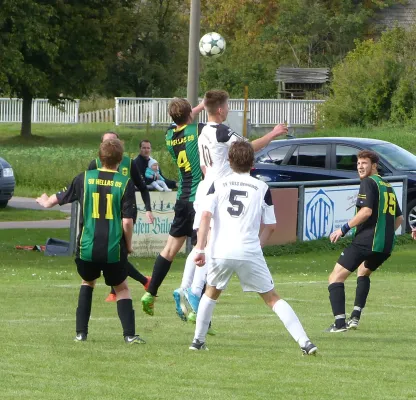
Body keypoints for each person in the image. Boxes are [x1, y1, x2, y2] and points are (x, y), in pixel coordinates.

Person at [188, 141, 317, 355]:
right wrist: (257, 247)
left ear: (229, 161)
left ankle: (197, 341)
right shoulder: (262, 187)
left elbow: (205, 215)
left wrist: (200, 248)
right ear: (253, 162)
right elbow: (271, 226)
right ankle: (305, 342)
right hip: (248, 250)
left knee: (210, 292)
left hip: (221, 250)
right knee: (272, 298)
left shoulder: (218, 184)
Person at [173, 89, 288, 322]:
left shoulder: (202, 129)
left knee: (200, 241)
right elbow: (248, 148)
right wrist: (274, 133)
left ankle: (184, 287)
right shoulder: (222, 130)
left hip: (205, 186)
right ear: (220, 109)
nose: (229, 110)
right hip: (219, 190)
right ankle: (195, 293)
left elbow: (206, 166)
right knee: (212, 242)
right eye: (227, 106)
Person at [36, 139, 145, 344]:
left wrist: (44, 201)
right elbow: (128, 222)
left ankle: (81, 334)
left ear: (99, 157)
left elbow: (56, 199)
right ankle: (129, 335)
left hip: (86, 248)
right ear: (120, 160)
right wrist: (128, 245)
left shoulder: (84, 178)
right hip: (113, 249)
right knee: (121, 287)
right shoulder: (124, 183)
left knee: (87, 282)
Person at [140, 98, 205, 315]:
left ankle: (150, 292)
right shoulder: (198, 131)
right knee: (203, 252)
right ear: (190, 115)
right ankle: (196, 307)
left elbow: (184, 117)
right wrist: (206, 105)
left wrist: (198, 106)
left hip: (181, 199)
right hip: (198, 200)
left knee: (169, 250)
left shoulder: (170, 135)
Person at [326, 150, 403, 332]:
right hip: (385, 245)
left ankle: (339, 324)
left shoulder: (368, 182)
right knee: (363, 272)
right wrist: (385, 234)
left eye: (364, 163)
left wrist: (343, 229)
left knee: (335, 277)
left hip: (367, 241)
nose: (360, 167)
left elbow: (366, 211)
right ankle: (355, 317)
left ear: (374, 165)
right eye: (358, 163)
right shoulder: (388, 186)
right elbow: (399, 218)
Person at [88, 131, 153, 302]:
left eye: (114, 141)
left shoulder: (129, 163)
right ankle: (143, 281)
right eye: (108, 141)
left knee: (117, 252)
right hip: (103, 213)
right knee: (110, 252)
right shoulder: (93, 165)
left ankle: (117, 289)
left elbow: (142, 186)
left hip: (124, 212)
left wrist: (148, 209)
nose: (111, 144)